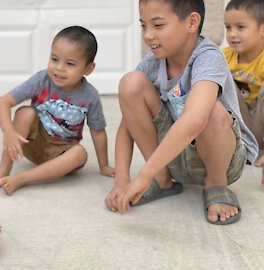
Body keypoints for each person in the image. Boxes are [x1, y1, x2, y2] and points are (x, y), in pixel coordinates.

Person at [104, 0, 258, 225]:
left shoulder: (208, 57)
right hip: (175, 157)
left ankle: (216, 185)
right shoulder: (151, 64)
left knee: (211, 111)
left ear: (192, 22)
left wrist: (143, 175)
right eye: (143, 25)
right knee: (131, 83)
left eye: (157, 25)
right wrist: (122, 180)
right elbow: (127, 125)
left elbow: (195, 120)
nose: (147, 35)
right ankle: (162, 179)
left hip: (223, 160)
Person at [0, 26, 115, 196]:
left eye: (70, 63)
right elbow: (3, 102)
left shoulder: (90, 96)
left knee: (80, 154)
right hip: (31, 142)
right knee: (25, 112)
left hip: (61, 153)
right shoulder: (42, 80)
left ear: (88, 69)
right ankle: (3, 169)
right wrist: (9, 132)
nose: (59, 68)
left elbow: (98, 132)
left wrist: (103, 166)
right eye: (54, 59)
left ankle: (23, 178)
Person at [222, 0, 264, 184]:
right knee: (218, 80)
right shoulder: (223, 56)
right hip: (239, 126)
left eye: (240, 27)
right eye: (228, 27)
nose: (232, 34)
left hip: (260, 124)